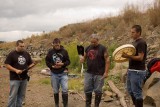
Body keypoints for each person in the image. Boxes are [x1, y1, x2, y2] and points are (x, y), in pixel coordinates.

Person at [80, 34, 110, 107]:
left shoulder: (103, 48)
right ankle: (88, 105)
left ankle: (96, 105)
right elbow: (84, 57)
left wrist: (106, 72)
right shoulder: (87, 48)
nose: (93, 44)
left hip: (99, 73)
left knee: (98, 91)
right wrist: (82, 59)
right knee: (87, 89)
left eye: (94, 42)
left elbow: (107, 60)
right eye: (91, 42)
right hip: (89, 72)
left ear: (98, 40)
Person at [122, 25, 147, 107]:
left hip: (138, 72)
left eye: (133, 32)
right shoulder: (134, 42)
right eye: (131, 32)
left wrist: (127, 56)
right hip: (132, 70)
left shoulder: (141, 42)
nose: (131, 34)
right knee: (130, 90)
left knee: (137, 93)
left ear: (138, 32)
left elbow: (140, 58)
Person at [5, 40, 35, 107]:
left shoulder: (26, 54)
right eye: (20, 46)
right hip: (14, 78)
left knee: (21, 96)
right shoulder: (12, 54)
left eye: (23, 46)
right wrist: (16, 70)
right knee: (12, 96)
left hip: (24, 78)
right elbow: (7, 65)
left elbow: (31, 63)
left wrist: (31, 67)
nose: (22, 47)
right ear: (17, 46)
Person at [45, 38, 70, 107]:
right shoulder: (50, 52)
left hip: (63, 73)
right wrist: (52, 66)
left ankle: (65, 105)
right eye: (55, 45)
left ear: (60, 44)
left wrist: (62, 64)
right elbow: (47, 62)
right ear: (53, 44)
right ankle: (57, 104)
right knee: (55, 90)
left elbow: (68, 61)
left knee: (65, 89)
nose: (57, 46)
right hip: (54, 73)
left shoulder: (64, 51)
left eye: (58, 45)